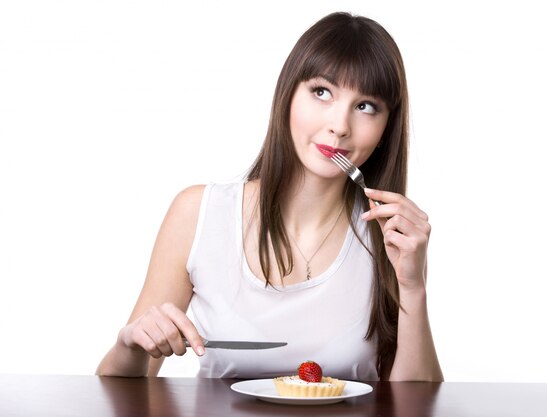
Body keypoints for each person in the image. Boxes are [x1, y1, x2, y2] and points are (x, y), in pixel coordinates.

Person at [96, 11, 443, 382]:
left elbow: (416, 401)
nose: (340, 126)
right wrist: (130, 344)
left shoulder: (391, 235)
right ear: (288, 94)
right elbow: (120, 387)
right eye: (322, 92)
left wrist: (412, 287)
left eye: (365, 106)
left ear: (386, 126)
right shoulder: (198, 214)